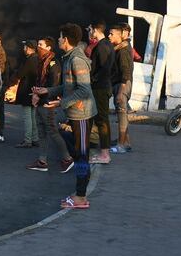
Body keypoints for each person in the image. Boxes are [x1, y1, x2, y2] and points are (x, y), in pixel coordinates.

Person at [33, 23, 96, 209]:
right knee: (79, 154)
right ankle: (79, 193)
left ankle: (81, 197)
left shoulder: (76, 60)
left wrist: (61, 102)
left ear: (66, 40)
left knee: (82, 155)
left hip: (82, 114)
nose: (58, 39)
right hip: (75, 114)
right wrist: (48, 90)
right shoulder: (68, 58)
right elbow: (67, 87)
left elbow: (84, 89)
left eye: (60, 37)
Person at [27, 37, 74, 172]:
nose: (38, 47)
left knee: (52, 132)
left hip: (48, 103)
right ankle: (42, 161)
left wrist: (40, 95)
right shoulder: (41, 62)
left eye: (41, 45)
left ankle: (67, 158)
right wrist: (35, 94)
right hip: (40, 101)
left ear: (48, 48)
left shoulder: (53, 63)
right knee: (42, 132)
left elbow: (54, 84)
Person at [88, 22, 115, 164]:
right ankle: (102, 151)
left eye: (90, 29)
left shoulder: (103, 46)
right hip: (102, 86)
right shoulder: (106, 44)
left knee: (102, 120)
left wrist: (93, 78)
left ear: (96, 30)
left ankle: (105, 154)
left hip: (100, 88)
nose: (89, 31)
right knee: (100, 119)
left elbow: (105, 68)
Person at [10, 40, 40, 148]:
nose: (23, 49)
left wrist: (16, 74)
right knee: (33, 116)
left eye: (25, 47)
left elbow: (20, 74)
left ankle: (28, 140)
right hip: (34, 91)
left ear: (29, 48)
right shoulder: (37, 58)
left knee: (27, 117)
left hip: (27, 91)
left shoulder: (30, 60)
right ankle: (35, 138)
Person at [109, 25, 134, 153]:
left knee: (122, 114)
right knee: (121, 115)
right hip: (119, 83)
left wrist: (120, 91)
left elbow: (126, 72)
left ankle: (121, 145)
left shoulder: (124, 50)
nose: (109, 36)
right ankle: (126, 141)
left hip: (122, 84)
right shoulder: (120, 48)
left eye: (112, 34)